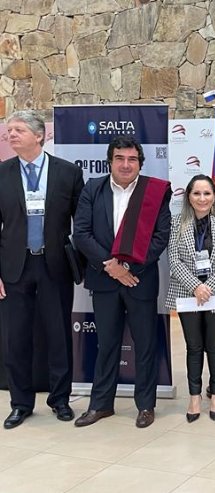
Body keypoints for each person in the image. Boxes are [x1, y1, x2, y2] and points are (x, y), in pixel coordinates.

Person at [73, 136, 171, 428]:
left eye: (132, 159)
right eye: (120, 158)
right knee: (107, 345)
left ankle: (145, 406)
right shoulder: (93, 188)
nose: (126, 164)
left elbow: (160, 237)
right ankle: (101, 405)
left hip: (140, 280)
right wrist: (112, 266)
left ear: (140, 162)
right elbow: (81, 234)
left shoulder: (154, 192)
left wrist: (129, 267)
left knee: (145, 345)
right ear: (110, 161)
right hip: (104, 280)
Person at [0, 110, 84, 429]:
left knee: (58, 334)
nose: (11, 135)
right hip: (14, 267)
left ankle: (60, 400)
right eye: (9, 131)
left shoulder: (66, 173)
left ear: (39, 135)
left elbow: (83, 222)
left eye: (19, 130)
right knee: (16, 337)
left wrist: (80, 263)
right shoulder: (3, 173)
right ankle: (21, 403)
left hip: (54, 265)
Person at [166, 175, 215, 422]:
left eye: (207, 193)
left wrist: (209, 286)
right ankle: (195, 396)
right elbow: (173, 261)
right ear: (188, 196)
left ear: (214, 196)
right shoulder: (177, 223)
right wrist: (197, 286)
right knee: (194, 347)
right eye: (196, 193)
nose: (202, 198)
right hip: (188, 295)